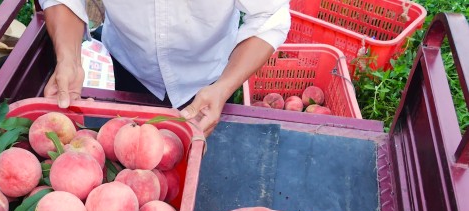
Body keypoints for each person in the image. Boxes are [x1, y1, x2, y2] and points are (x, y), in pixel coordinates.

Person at [39, 0, 291, 136]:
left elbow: (269, 15)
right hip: (127, 63)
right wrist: (68, 57)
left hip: (206, 78)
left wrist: (224, 87)